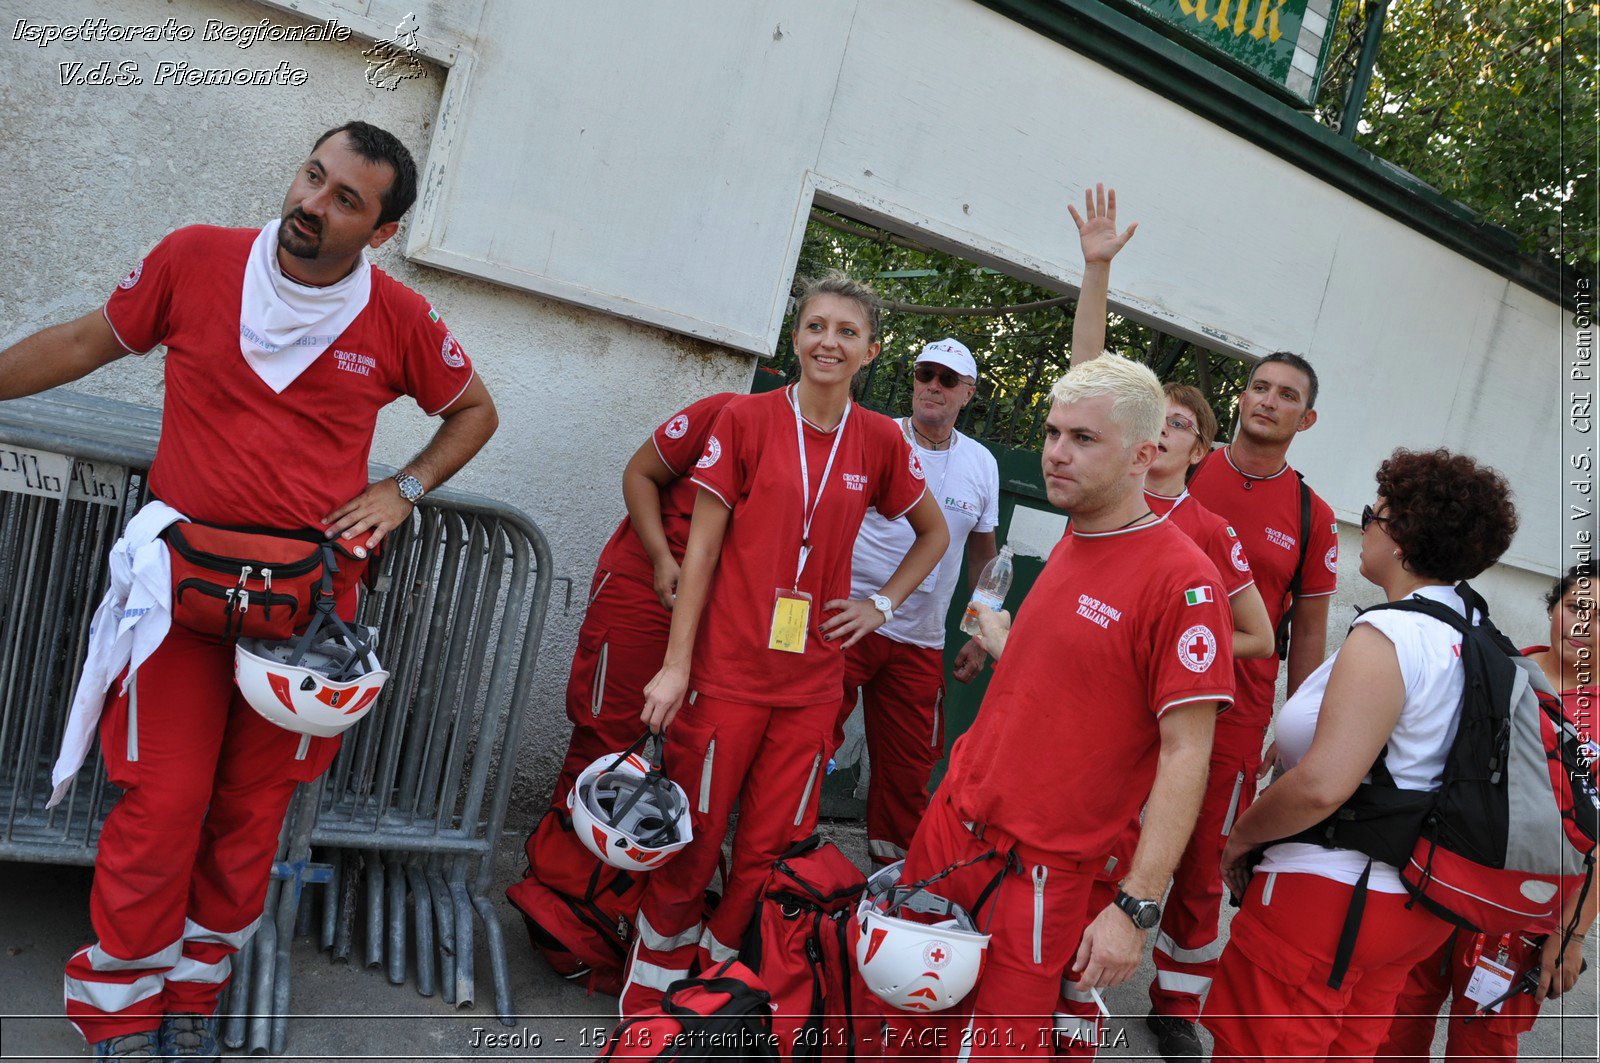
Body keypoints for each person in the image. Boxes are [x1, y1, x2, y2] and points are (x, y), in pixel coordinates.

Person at [0, 122, 498, 1059]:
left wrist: (405, 488)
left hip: (303, 621)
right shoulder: (195, 259)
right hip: (180, 595)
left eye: (346, 198)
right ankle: (118, 1010)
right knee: (163, 801)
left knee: (250, 813)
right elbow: (82, 342)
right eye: (314, 176)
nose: (313, 202)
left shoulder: (397, 317)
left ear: (380, 230)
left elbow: (474, 409)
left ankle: (192, 995)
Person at [883, 354, 1234, 1059]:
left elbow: (1187, 751)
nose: (1056, 452)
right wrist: (1007, 642)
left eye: (1081, 438)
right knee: (902, 1018)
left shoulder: (1185, 581)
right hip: (953, 827)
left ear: (1144, 455)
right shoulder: (1078, 530)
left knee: (996, 1047)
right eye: (1051, 432)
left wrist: (1135, 908)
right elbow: (1077, 684)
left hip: (1041, 871)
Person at [619, 272, 949, 1014]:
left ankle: (716, 982)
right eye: (816, 326)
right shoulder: (745, 418)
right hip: (726, 671)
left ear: (870, 349)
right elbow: (698, 554)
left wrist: (881, 604)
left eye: (846, 331)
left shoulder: (880, 440)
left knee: (770, 847)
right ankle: (652, 978)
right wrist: (676, 667)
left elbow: (935, 533)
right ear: (796, 337)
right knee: (696, 834)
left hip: (809, 687)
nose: (828, 341)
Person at [1203, 448, 1519, 1063]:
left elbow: (1323, 784)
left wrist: (1241, 838)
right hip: (1415, 904)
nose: (1363, 529)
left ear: (1399, 537)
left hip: (1330, 898)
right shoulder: (1475, 634)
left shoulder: (1393, 633)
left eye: (1373, 517)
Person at [1147, 350, 1339, 1058]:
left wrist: (1301, 735)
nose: (1268, 400)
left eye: (1286, 394)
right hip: (1145, 689)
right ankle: (1073, 969)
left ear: (1305, 417)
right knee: (1111, 831)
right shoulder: (1181, 466)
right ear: (1240, 398)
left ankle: (1173, 998)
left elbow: (1309, 630)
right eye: (1259, 386)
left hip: (1239, 706)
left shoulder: (1310, 514)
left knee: (1204, 856)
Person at [507, 391, 735, 989]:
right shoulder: (727, 411)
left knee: (664, 772)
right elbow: (639, 472)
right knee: (605, 754)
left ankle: (611, 918)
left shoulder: (814, 449)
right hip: (645, 590)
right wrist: (661, 557)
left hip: (708, 615)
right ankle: (562, 915)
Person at [1373, 562, 1597, 1061]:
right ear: (1553, 608)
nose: (1582, 627)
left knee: (1484, 1045)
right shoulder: (1500, 669)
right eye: (1575, 608)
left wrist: (1570, 934)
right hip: (1442, 881)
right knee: (1394, 1021)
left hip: (1523, 915)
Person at [838, 336, 999, 867]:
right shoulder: (873, 434)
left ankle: (891, 881)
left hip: (919, 639)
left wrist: (978, 632)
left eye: (947, 379)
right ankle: (778, 852)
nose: (933, 386)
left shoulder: (981, 463)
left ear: (967, 393)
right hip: (847, 621)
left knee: (908, 771)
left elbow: (984, 558)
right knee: (807, 738)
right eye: (924, 374)